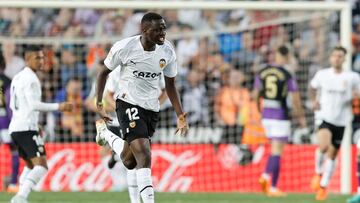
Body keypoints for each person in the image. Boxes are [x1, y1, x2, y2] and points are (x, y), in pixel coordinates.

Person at [95, 12, 189, 203]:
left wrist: (180, 114)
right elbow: (103, 73)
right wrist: (99, 103)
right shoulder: (125, 47)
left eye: (164, 28)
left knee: (130, 161)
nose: (162, 33)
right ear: (144, 30)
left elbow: (170, 85)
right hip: (127, 102)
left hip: (151, 108)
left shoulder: (167, 51)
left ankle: (105, 134)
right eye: (157, 29)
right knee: (144, 155)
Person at [9, 45, 72, 203]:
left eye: (43, 57)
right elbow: (34, 105)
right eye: (37, 57)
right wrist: (59, 106)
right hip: (26, 128)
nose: (42, 61)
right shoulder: (31, 79)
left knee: (30, 165)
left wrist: (34, 122)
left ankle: (20, 197)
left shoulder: (17, 77)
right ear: (27, 59)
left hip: (16, 127)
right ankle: (20, 197)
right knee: (42, 165)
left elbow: (13, 105)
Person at [253, 45, 306, 197]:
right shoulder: (287, 73)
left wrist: (259, 110)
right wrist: (300, 117)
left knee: (273, 150)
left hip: (266, 115)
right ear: (287, 56)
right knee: (277, 152)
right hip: (280, 115)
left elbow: (256, 94)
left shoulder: (263, 71)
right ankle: (268, 180)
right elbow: (295, 98)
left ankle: (270, 184)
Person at [309, 46, 360, 201]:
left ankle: (323, 187)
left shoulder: (352, 77)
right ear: (330, 58)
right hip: (324, 116)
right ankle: (318, 173)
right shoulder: (322, 74)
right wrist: (314, 101)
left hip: (342, 119)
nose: (337, 58)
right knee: (323, 146)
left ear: (344, 59)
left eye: (340, 56)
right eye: (334, 55)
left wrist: (355, 97)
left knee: (332, 154)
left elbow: (357, 95)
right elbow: (312, 88)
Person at [0, 51, 19, 192]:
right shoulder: (8, 80)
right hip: (5, 120)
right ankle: (13, 183)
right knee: (14, 150)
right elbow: (10, 104)